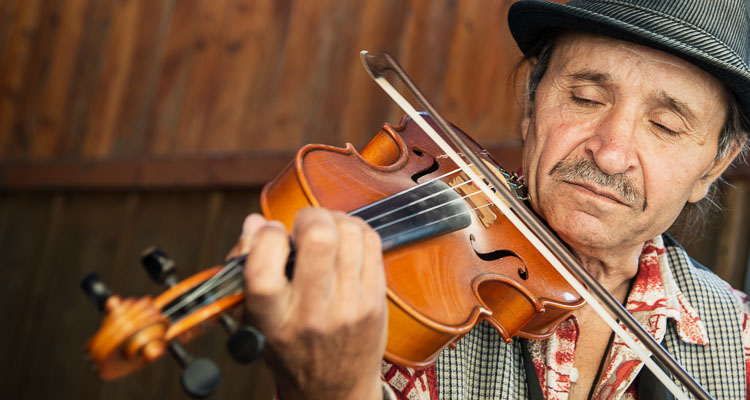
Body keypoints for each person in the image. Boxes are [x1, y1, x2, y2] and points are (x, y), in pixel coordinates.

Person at [229, 0, 750, 399]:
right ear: (531, 104)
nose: (611, 154)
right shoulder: (392, 292)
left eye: (665, 125)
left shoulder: (742, 344)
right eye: (585, 98)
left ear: (713, 166)